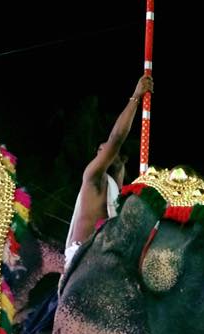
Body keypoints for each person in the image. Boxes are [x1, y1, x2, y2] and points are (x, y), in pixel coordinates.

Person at [64, 74, 154, 270]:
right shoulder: (94, 178)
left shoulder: (122, 198)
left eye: (104, 149)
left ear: (122, 159)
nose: (100, 151)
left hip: (106, 267)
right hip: (80, 265)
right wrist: (136, 97)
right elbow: (116, 138)